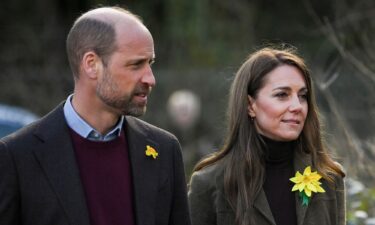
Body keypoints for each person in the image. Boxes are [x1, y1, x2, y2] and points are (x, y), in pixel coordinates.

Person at [0, 6, 191, 225]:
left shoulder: (164, 150)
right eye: (136, 64)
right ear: (91, 64)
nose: (150, 79)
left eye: (150, 63)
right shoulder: (17, 157)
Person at [188, 47, 346, 225]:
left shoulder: (329, 178)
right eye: (282, 95)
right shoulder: (210, 183)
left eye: (302, 96)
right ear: (250, 105)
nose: (297, 106)